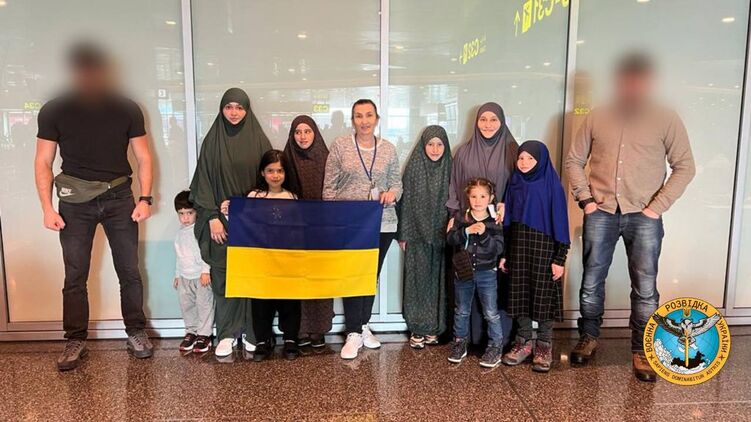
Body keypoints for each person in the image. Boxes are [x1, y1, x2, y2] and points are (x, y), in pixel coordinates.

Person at [565, 52, 696, 382]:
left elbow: (685, 167)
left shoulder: (666, 118)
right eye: (626, 79)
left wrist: (656, 207)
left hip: (644, 216)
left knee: (645, 288)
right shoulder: (597, 116)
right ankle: (589, 336)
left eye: (638, 79)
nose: (632, 85)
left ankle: (642, 350)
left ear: (648, 82)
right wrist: (586, 200)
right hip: (601, 212)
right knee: (592, 281)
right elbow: (573, 161)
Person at [34, 43, 154, 371]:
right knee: (75, 274)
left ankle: (136, 331)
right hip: (74, 201)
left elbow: (143, 157)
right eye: (83, 69)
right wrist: (47, 208)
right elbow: (43, 161)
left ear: (104, 71)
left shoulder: (127, 108)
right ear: (75, 72)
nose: (90, 75)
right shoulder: (54, 110)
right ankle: (75, 339)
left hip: (119, 197)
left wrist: (145, 198)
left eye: (95, 69)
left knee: (129, 270)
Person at [189, 87, 272, 358]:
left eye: (239, 107)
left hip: (251, 222)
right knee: (224, 277)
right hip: (220, 224)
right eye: (228, 107)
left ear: (247, 110)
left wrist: (249, 204)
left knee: (251, 276)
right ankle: (226, 332)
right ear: (221, 109)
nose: (234, 112)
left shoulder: (259, 141)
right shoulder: (212, 141)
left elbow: (270, 179)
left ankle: (251, 332)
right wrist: (212, 217)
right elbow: (203, 183)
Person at [322, 99, 402, 360]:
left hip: (382, 222)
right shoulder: (341, 146)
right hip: (350, 223)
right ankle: (353, 332)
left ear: (377, 119)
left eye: (369, 115)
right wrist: (333, 221)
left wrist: (392, 193)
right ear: (352, 120)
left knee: (370, 276)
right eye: (359, 116)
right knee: (352, 275)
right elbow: (329, 188)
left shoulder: (388, 149)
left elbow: (397, 184)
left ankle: (363, 324)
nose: (364, 121)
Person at [446, 102, 517, 346]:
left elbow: (519, 185)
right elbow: (454, 185)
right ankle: (466, 339)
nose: (488, 125)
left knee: (494, 285)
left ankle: (498, 341)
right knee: (466, 284)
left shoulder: (512, 151)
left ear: (502, 122)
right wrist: (454, 216)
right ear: (476, 122)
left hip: (499, 225)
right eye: (483, 119)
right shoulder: (463, 152)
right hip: (468, 223)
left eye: (493, 120)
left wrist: (507, 204)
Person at [221, 150, 302, 361]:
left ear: (286, 173)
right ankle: (263, 341)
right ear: (262, 173)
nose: (275, 175)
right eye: (270, 170)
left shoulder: (292, 197)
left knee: (290, 301)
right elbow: (243, 224)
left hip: (286, 260)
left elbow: (299, 228)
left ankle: (291, 339)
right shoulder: (254, 197)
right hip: (261, 261)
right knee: (260, 302)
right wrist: (229, 212)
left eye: (280, 171)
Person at [500, 141, 570, 373]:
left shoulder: (552, 185)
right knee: (520, 294)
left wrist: (559, 259)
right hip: (519, 246)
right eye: (521, 158)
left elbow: (561, 223)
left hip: (544, 247)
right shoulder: (515, 182)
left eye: (530, 158)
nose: (524, 162)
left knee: (543, 297)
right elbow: (508, 222)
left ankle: (544, 347)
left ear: (541, 160)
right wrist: (505, 254)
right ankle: (523, 343)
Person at [397, 125, 452, 349]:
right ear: (423, 145)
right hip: (416, 234)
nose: (435, 149)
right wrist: (404, 234)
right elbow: (405, 202)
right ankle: (417, 328)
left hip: (442, 236)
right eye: (430, 144)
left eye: (439, 144)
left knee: (439, 282)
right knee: (417, 282)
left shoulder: (451, 168)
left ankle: (435, 328)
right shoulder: (414, 168)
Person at [282, 115, 333, 348]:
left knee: (320, 278)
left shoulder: (328, 158)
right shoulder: (285, 160)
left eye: (307, 131)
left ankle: (319, 329)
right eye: (297, 132)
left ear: (315, 133)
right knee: (297, 280)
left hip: (321, 231)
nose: (302, 136)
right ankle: (299, 329)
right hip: (293, 232)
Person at [446, 178, 505, 367]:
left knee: (490, 312)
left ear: (491, 198)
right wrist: (466, 231)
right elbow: (450, 239)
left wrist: (484, 234)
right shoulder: (461, 218)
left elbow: (498, 248)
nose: (478, 201)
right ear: (468, 197)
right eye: (473, 196)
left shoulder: (494, 221)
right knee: (462, 310)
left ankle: (495, 346)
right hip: (463, 272)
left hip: (486, 273)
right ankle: (459, 342)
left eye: (482, 196)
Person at [173, 190, 214, 354]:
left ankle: (204, 334)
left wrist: (205, 271)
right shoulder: (179, 233)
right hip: (185, 276)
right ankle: (191, 331)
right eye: (181, 214)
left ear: (196, 212)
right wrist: (177, 275)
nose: (185, 218)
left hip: (200, 276)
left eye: (189, 213)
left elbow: (206, 251)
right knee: (187, 305)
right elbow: (179, 255)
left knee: (204, 305)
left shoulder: (200, 230)